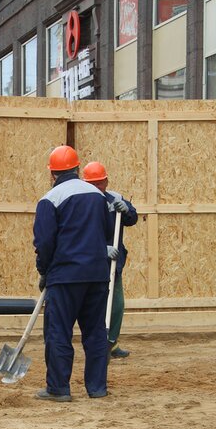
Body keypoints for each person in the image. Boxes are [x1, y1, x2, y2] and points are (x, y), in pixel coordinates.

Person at [33, 145, 112, 401]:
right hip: (97, 274)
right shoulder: (98, 195)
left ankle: (58, 388)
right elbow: (104, 231)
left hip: (65, 276)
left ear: (52, 174)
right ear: (78, 169)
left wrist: (44, 271)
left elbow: (44, 241)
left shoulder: (50, 199)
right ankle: (97, 388)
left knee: (58, 332)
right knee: (96, 332)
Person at [81, 161, 138, 359]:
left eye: (100, 183)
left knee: (116, 305)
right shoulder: (81, 202)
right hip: (90, 263)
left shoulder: (115, 198)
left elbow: (132, 219)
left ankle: (111, 343)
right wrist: (100, 249)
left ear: (106, 181)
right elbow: (79, 234)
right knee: (94, 305)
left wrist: (127, 210)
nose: (97, 187)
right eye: (92, 184)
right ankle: (96, 345)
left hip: (114, 264)